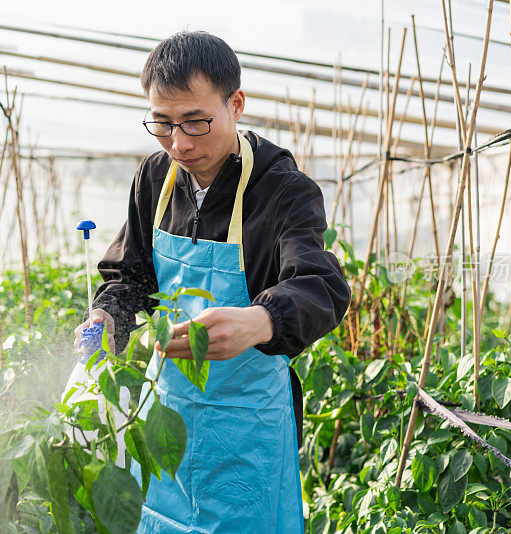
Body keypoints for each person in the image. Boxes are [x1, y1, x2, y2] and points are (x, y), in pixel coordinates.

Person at [74, 31, 350, 534]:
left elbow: (322, 283)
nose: (179, 143)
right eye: (162, 123)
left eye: (195, 122)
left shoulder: (282, 191)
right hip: (167, 421)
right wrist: (107, 315)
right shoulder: (155, 179)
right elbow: (129, 274)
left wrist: (259, 320)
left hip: (246, 428)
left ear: (235, 104)